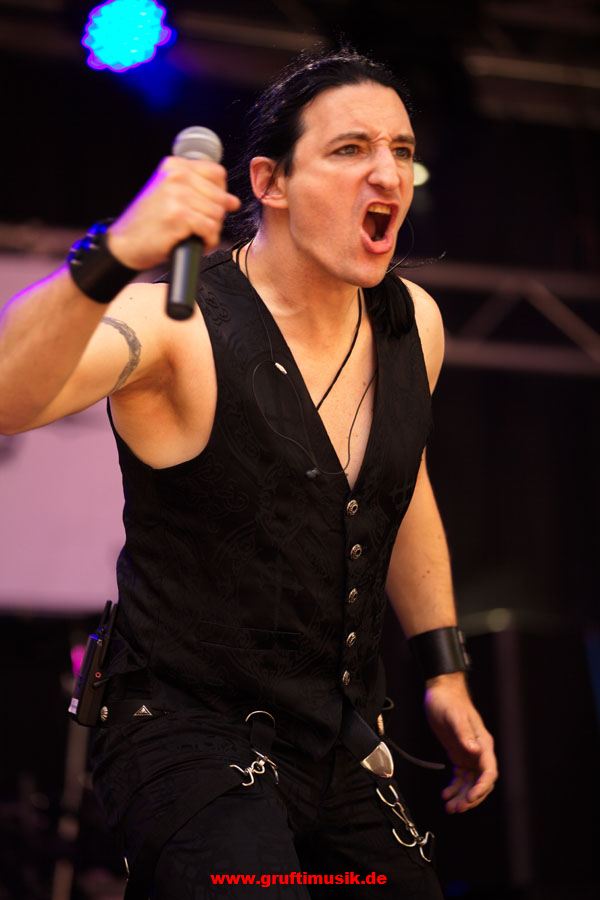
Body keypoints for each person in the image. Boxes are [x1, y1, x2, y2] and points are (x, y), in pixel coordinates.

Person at [0, 48, 497, 898]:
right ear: (269, 182)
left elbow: (398, 483)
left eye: (402, 150)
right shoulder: (176, 324)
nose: (388, 173)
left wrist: (445, 669)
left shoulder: (414, 322)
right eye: (350, 149)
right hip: (186, 733)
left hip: (338, 736)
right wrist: (114, 252)